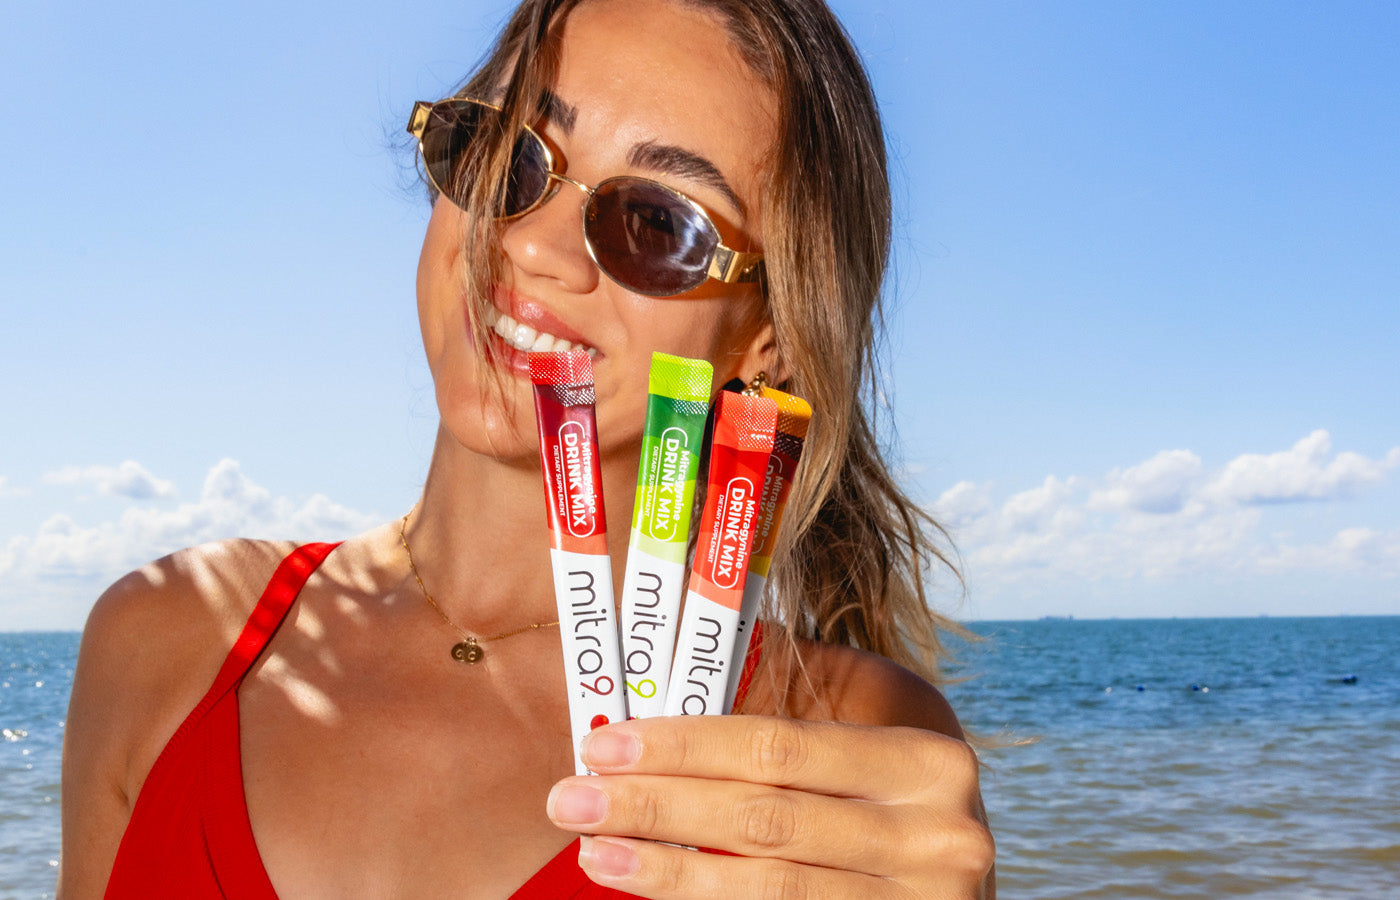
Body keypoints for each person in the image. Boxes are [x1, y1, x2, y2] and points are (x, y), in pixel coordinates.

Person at [59, 0, 996, 896]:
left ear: (769, 336)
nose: (538, 246)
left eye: (660, 223)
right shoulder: (166, 637)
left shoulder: (851, 751)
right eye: (515, 157)